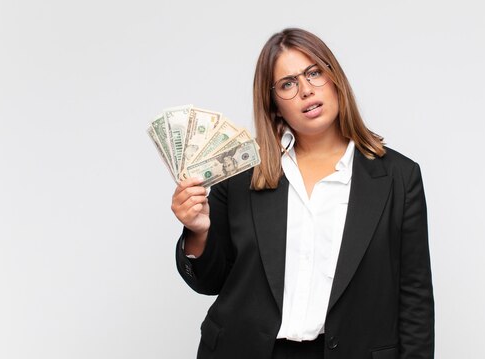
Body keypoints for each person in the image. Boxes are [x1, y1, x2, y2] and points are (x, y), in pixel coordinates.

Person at [171, 28, 434, 359]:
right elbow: (210, 282)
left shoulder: (399, 177)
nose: (306, 90)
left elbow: (414, 297)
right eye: (287, 84)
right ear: (274, 104)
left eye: (314, 73)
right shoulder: (240, 171)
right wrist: (198, 232)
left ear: (335, 79)